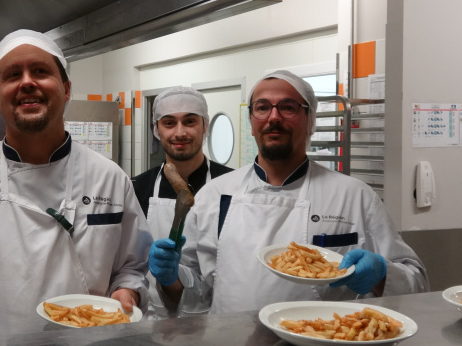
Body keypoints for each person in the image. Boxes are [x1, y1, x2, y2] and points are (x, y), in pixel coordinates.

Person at [0, 29, 152, 340]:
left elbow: (133, 269)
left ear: (67, 88)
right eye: (12, 75)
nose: (27, 82)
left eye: (41, 71)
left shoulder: (111, 179)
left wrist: (127, 293)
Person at [149, 69, 429, 313]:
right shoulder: (215, 195)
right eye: (262, 107)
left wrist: (381, 275)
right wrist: (171, 277)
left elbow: (417, 282)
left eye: (288, 107)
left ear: (311, 120)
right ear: (250, 122)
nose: (274, 117)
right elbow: (195, 294)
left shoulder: (354, 196)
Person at [131, 86, 232, 318]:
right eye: (168, 123)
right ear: (156, 129)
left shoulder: (231, 186)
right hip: (151, 321)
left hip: (215, 321)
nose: (180, 133)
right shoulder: (137, 187)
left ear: (205, 125)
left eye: (189, 122)